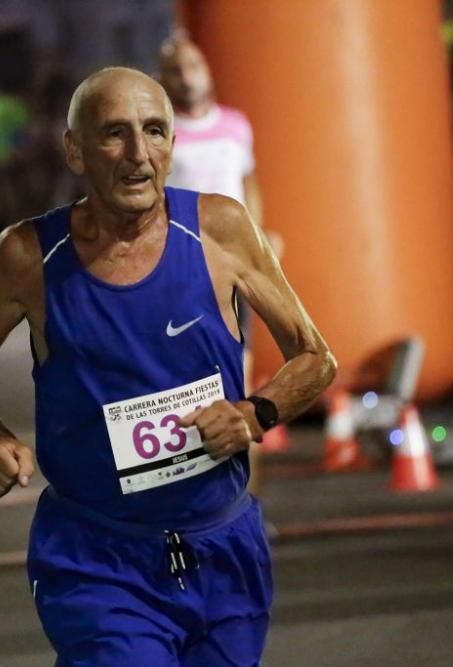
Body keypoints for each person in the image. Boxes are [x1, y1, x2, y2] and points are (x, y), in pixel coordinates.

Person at [0, 67, 335, 664]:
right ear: (75, 150)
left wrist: (253, 415)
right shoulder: (27, 255)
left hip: (222, 549)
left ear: (173, 146)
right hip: (97, 559)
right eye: (114, 134)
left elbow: (315, 357)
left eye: (154, 132)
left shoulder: (218, 229)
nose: (138, 155)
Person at [158, 32, 276, 494]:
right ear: (161, 79)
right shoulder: (161, 132)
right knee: (183, 388)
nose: (187, 78)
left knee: (239, 389)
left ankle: (249, 502)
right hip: (180, 275)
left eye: (194, 66)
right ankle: (192, 498)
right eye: (176, 70)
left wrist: (259, 243)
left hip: (234, 272)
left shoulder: (235, 125)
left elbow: (250, 184)